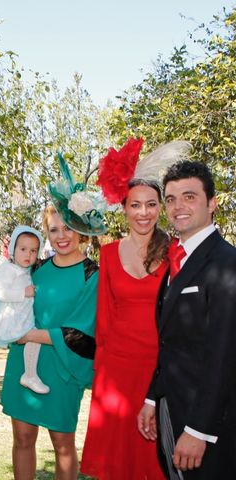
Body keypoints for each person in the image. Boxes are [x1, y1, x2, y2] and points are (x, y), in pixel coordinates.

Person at [81, 138, 191, 479]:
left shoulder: (176, 251)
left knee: (154, 462)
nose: (143, 213)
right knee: (118, 463)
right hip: (116, 372)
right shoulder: (110, 254)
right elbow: (104, 320)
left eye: (151, 205)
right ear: (124, 208)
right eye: (135, 205)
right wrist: (101, 375)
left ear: (160, 208)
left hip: (158, 371)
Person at [1, 154, 103, 480]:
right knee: (22, 439)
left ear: (82, 230)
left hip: (62, 367)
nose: (62, 236)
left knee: (62, 443)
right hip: (23, 362)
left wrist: (28, 334)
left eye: (69, 227)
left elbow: (81, 333)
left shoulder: (93, 275)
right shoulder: (36, 269)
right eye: (54, 229)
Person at [138, 160, 236, 479]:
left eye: (190, 196)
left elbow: (225, 355)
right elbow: (170, 342)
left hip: (210, 427)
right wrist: (154, 398)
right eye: (171, 198)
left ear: (212, 203)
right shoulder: (177, 261)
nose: (178, 206)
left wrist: (199, 431)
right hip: (172, 407)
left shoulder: (226, 263)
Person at [0, 225, 49, 394]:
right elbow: (1, 292)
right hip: (11, 315)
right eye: (23, 249)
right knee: (34, 336)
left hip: (22, 313)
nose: (28, 254)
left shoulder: (26, 270)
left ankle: (30, 374)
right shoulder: (7, 269)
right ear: (13, 249)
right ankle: (29, 375)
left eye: (33, 250)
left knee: (34, 338)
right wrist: (25, 292)